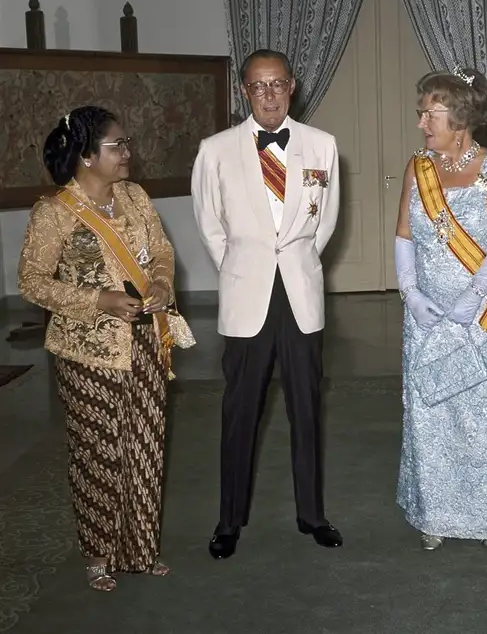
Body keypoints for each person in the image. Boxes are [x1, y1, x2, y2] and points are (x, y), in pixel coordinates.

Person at [18, 106, 178, 591]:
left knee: (145, 446)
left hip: (146, 341)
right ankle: (97, 554)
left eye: (127, 144)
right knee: (99, 454)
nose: (127, 153)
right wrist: (98, 301)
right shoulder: (54, 212)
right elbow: (32, 281)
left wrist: (162, 283)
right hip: (87, 353)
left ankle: (140, 549)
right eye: (117, 146)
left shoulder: (135, 197)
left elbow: (162, 251)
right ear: (87, 156)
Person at [191, 48, 342, 558]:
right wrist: (243, 268)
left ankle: (312, 514)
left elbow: (325, 223)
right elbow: (210, 225)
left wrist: (295, 261)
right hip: (246, 296)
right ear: (244, 91)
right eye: (259, 86)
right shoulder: (215, 150)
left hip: (300, 294)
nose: (270, 94)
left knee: (307, 410)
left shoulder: (322, 146)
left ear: (292, 86)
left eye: (277, 84)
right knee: (240, 412)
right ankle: (229, 520)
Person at [394, 66, 487, 551]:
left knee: (483, 416)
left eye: (429, 114)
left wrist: (472, 298)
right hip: (427, 316)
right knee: (431, 414)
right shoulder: (418, 168)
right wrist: (411, 293)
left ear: (460, 117)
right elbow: (404, 235)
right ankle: (435, 514)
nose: (421, 123)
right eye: (420, 113)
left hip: (482, 316)